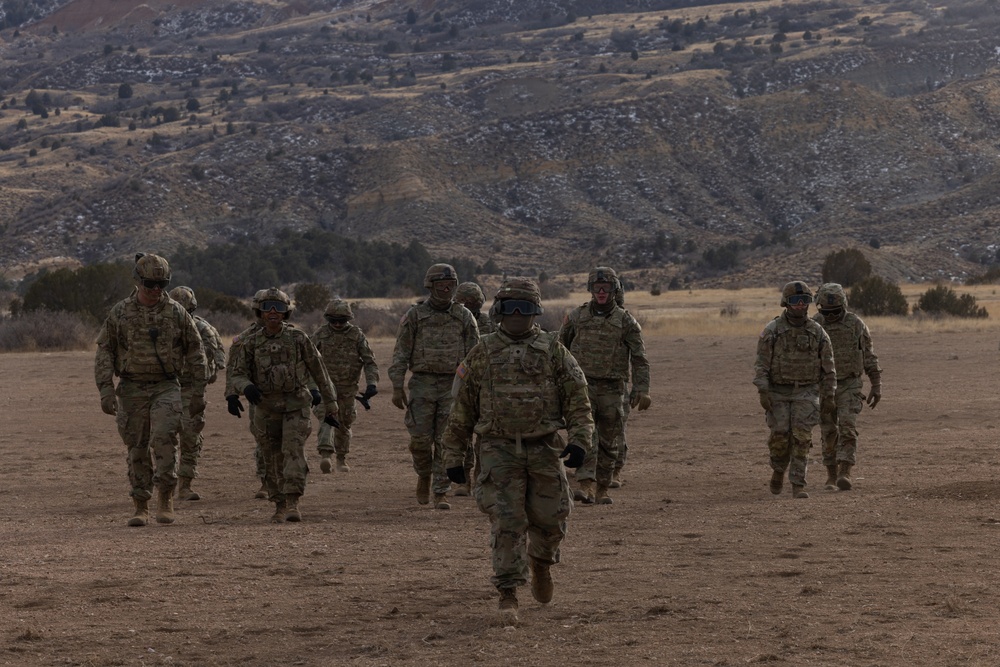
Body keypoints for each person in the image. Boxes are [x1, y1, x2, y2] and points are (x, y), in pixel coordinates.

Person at [442, 277, 593, 623]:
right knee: (507, 519)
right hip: (498, 448)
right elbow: (462, 408)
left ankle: (540, 563)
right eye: (510, 307)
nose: (517, 315)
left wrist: (580, 440)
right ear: (498, 310)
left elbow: (578, 401)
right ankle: (508, 592)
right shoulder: (482, 351)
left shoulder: (554, 350)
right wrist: (454, 456)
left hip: (544, 447)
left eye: (524, 308)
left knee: (552, 517)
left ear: (536, 311)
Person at [95, 253, 208, 527]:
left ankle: (166, 498)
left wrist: (198, 393)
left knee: (165, 439)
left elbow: (196, 351)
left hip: (166, 386)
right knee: (137, 447)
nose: (156, 290)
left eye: (162, 284)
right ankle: (140, 504)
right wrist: (106, 389)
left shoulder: (177, 312)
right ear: (137, 280)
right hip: (132, 388)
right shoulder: (120, 312)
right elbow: (105, 350)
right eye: (150, 284)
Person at [229, 287, 340, 523]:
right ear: (259, 311)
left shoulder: (299, 338)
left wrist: (330, 403)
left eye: (278, 308)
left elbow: (319, 372)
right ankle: (278, 503)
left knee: (292, 451)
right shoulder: (250, 342)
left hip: (296, 404)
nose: (272, 312)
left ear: (285, 312)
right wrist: (245, 387)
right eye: (267, 307)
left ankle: (292, 502)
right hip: (265, 408)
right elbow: (237, 374)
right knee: (270, 457)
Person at [389, 264, 479, 510]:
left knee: (445, 440)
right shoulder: (415, 315)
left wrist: (474, 388)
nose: (446, 289)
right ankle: (423, 474)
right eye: (441, 285)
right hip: (422, 384)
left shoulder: (464, 316)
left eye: (450, 285)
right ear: (430, 286)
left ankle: (441, 491)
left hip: (453, 386)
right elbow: (401, 352)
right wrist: (397, 386)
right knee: (419, 440)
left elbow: (476, 356)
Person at [558, 267, 650, 505]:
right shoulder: (577, 317)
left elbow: (639, 357)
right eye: (596, 287)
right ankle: (585, 485)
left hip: (613, 388)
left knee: (610, 440)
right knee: (585, 436)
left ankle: (603, 487)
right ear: (590, 289)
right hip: (583, 386)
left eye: (606, 288)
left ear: (614, 289)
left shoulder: (626, 321)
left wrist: (641, 388)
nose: (601, 292)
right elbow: (560, 350)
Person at [753, 281, 837, 499]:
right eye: (795, 301)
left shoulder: (818, 333)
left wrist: (829, 396)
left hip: (807, 392)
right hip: (778, 392)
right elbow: (761, 364)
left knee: (802, 438)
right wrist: (763, 391)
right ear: (786, 303)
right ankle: (778, 470)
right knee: (780, 437)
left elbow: (829, 368)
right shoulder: (773, 331)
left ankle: (798, 484)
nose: (800, 305)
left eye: (805, 301)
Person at [812, 283, 882, 491]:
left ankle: (845, 471)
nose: (831, 315)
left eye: (836, 311)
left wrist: (876, 384)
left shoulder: (855, 324)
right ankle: (831, 476)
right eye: (827, 311)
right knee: (828, 431)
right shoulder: (814, 325)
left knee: (848, 427)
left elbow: (868, 355)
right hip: (823, 386)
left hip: (849, 384)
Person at [168, 286, 226, 501]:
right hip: (166, 387)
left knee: (191, 437)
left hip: (192, 388)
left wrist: (202, 386)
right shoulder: (163, 326)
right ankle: (166, 483)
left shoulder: (203, 329)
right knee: (163, 437)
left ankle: (185, 484)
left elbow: (216, 356)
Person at [310, 298, 380, 474]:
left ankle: (341, 458)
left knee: (345, 422)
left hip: (348, 388)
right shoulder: (320, 334)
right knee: (327, 417)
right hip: (325, 387)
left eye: (342, 321)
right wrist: (312, 387)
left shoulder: (356, 335)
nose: (338, 325)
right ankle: (326, 454)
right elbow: (308, 361)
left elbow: (369, 361)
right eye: (334, 321)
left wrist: (372, 383)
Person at [224, 289, 267, 499]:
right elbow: (234, 370)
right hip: (258, 399)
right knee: (263, 439)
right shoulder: (245, 339)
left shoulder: (294, 336)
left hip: (290, 398)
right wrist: (232, 395)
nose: (271, 314)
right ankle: (267, 481)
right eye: (265, 309)